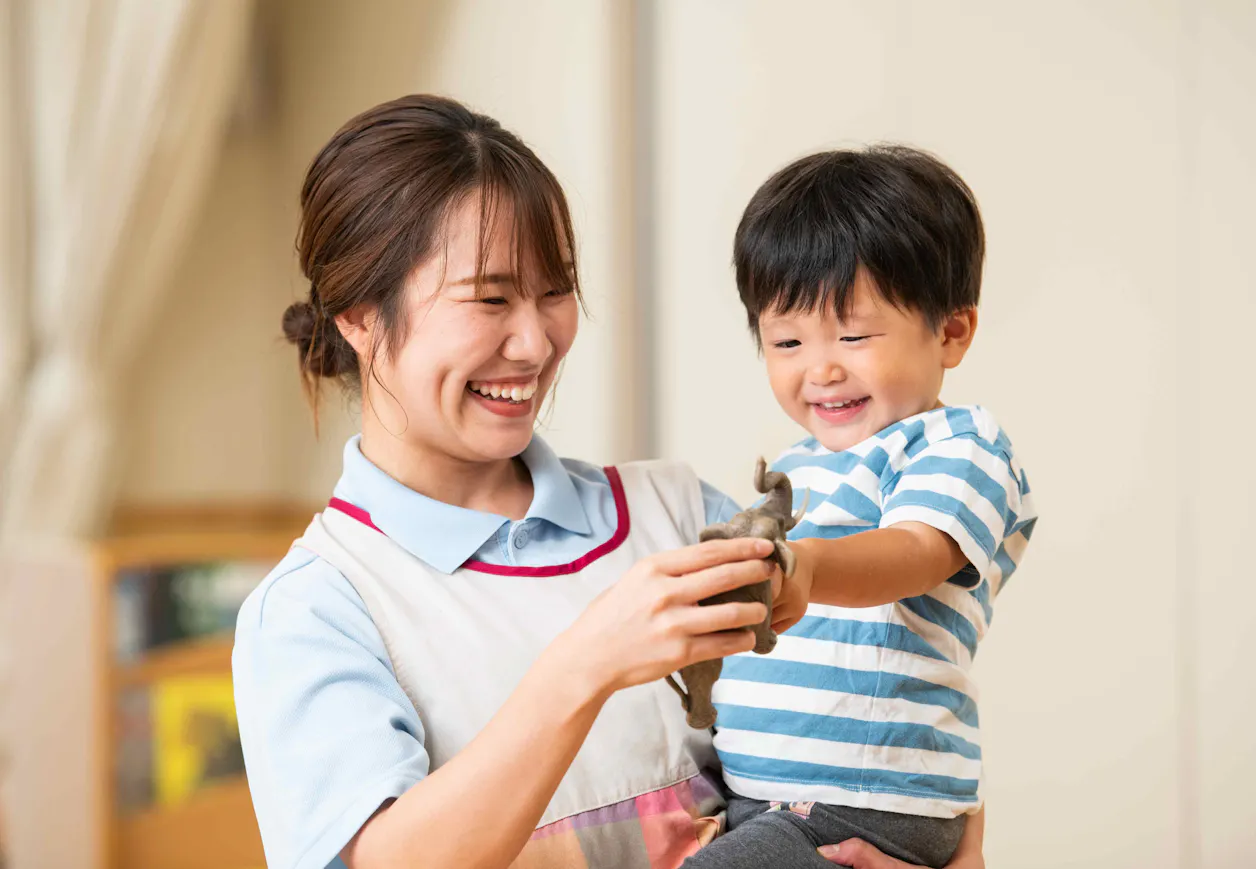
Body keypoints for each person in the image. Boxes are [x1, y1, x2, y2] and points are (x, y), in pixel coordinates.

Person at [232, 94, 988, 869]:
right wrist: (584, 665)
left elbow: (887, 697)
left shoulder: (682, 515)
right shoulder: (317, 607)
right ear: (360, 316)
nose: (535, 342)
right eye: (491, 298)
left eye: (554, 291)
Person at [683, 147, 1036, 868]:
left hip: (863, 800)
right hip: (768, 797)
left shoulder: (958, 445)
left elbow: (917, 550)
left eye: (854, 335)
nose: (822, 367)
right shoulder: (801, 465)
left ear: (951, 332)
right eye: (787, 340)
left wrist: (808, 566)